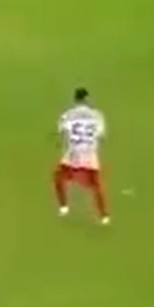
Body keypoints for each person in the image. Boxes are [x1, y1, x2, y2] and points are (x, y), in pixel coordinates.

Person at [55, 88, 109, 225]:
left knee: (59, 178)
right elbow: (101, 135)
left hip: (73, 153)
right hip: (90, 153)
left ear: (76, 99)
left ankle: (63, 207)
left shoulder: (68, 114)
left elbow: (61, 131)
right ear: (87, 99)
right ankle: (104, 216)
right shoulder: (97, 115)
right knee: (96, 185)